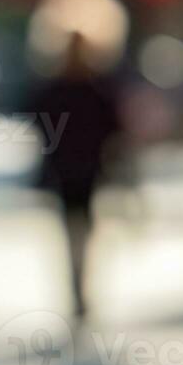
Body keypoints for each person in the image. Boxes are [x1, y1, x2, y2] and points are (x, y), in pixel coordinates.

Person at [26, 30, 123, 322]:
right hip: (66, 171)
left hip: (86, 169)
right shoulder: (64, 88)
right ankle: (77, 285)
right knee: (74, 230)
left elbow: (113, 127)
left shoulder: (96, 87)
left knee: (81, 230)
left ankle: (80, 283)